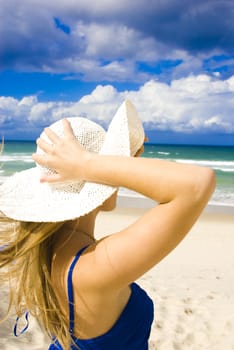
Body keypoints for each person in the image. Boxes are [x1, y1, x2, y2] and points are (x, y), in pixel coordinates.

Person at [0, 100, 215, 350]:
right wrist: (87, 164)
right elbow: (196, 185)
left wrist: (100, 165)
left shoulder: (54, 250)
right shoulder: (91, 268)